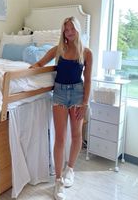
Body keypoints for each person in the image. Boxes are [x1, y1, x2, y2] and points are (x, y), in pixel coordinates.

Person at [30, 16, 92, 200]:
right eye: (66, 29)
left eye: (72, 28)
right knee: (60, 137)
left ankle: (70, 169)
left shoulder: (87, 53)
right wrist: (31, 69)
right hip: (59, 94)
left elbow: (88, 80)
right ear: (63, 32)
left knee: (76, 134)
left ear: (78, 30)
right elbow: (40, 63)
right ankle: (58, 180)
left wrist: (85, 103)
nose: (69, 32)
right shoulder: (59, 49)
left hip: (78, 94)